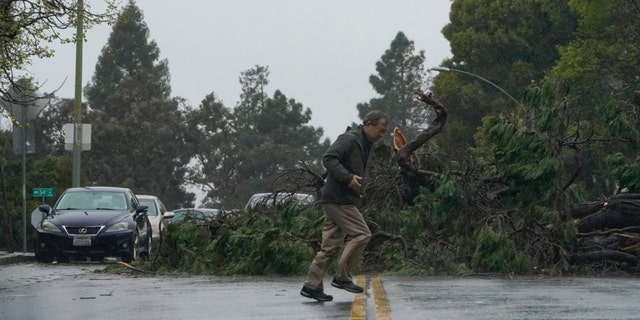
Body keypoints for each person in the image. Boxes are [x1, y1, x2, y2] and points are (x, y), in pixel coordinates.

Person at [300, 110, 388, 302]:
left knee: (330, 247)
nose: (382, 135)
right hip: (339, 198)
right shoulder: (349, 139)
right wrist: (348, 179)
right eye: (380, 130)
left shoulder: (365, 143)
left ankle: (311, 285)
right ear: (368, 124)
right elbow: (328, 158)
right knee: (362, 234)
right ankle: (342, 277)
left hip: (338, 198)